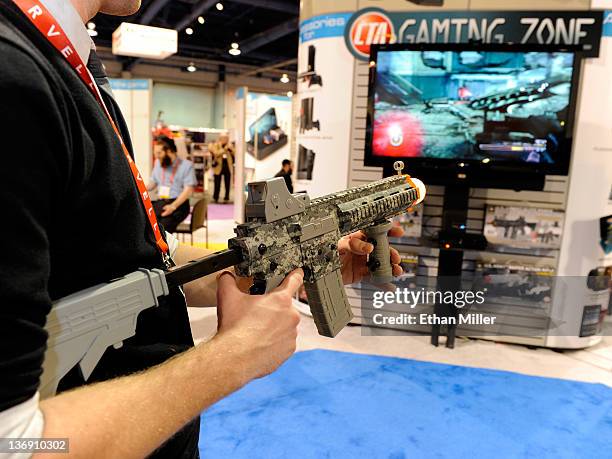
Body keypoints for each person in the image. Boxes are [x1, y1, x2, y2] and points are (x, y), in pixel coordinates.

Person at [0, 0, 404, 457]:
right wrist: (230, 357)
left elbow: (147, 266)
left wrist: (288, 267)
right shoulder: (16, 76)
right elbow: (14, 443)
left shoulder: (66, 67)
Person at [148, 135, 197, 233]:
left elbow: (188, 190)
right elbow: (152, 183)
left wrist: (173, 206)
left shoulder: (186, 166)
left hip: (179, 204)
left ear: (169, 151)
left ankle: (164, 247)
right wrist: (138, 188)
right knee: (146, 223)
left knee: (162, 229)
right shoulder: (159, 163)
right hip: (161, 201)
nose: (156, 156)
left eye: (159, 153)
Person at [209, 134, 234, 203]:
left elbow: (235, 153)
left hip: (227, 167)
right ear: (220, 138)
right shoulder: (215, 145)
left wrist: (231, 149)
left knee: (227, 183)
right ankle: (215, 197)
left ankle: (226, 197)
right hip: (218, 167)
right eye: (225, 138)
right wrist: (224, 149)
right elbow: (216, 153)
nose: (226, 139)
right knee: (217, 183)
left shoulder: (230, 145)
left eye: (227, 138)